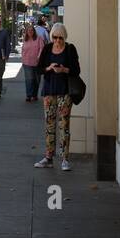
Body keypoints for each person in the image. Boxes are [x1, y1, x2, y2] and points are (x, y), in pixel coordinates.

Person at [35, 23, 79, 170]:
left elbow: (76, 70)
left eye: (60, 38)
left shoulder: (70, 49)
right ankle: (48, 157)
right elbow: (39, 69)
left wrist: (64, 69)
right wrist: (49, 68)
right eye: (55, 37)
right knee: (49, 124)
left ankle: (65, 159)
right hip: (49, 91)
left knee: (64, 125)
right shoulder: (47, 48)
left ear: (64, 37)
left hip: (65, 91)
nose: (57, 41)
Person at [20, 22, 43, 101]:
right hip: (27, 62)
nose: (30, 32)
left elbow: (41, 48)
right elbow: (23, 50)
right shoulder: (25, 39)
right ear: (26, 32)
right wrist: (22, 58)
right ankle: (29, 95)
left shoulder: (39, 38)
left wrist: (39, 57)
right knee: (29, 79)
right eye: (28, 31)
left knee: (36, 80)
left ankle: (34, 95)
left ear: (34, 31)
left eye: (31, 30)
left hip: (37, 62)